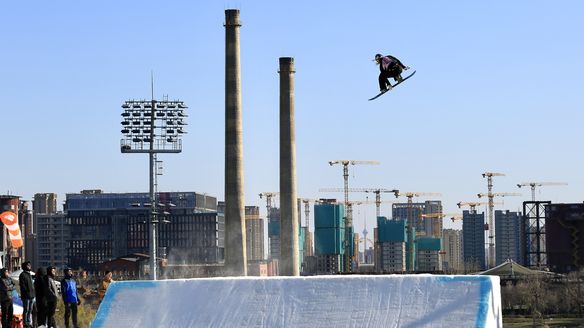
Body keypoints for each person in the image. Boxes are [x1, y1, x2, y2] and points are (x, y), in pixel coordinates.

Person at [19, 261, 35, 328]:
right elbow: (22, 286)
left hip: (32, 295)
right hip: (26, 296)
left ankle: (29, 322)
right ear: (25, 266)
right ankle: (25, 323)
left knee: (30, 310)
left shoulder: (29, 274)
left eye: (30, 265)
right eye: (28, 265)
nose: (30, 266)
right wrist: (26, 292)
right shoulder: (22, 275)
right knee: (26, 310)